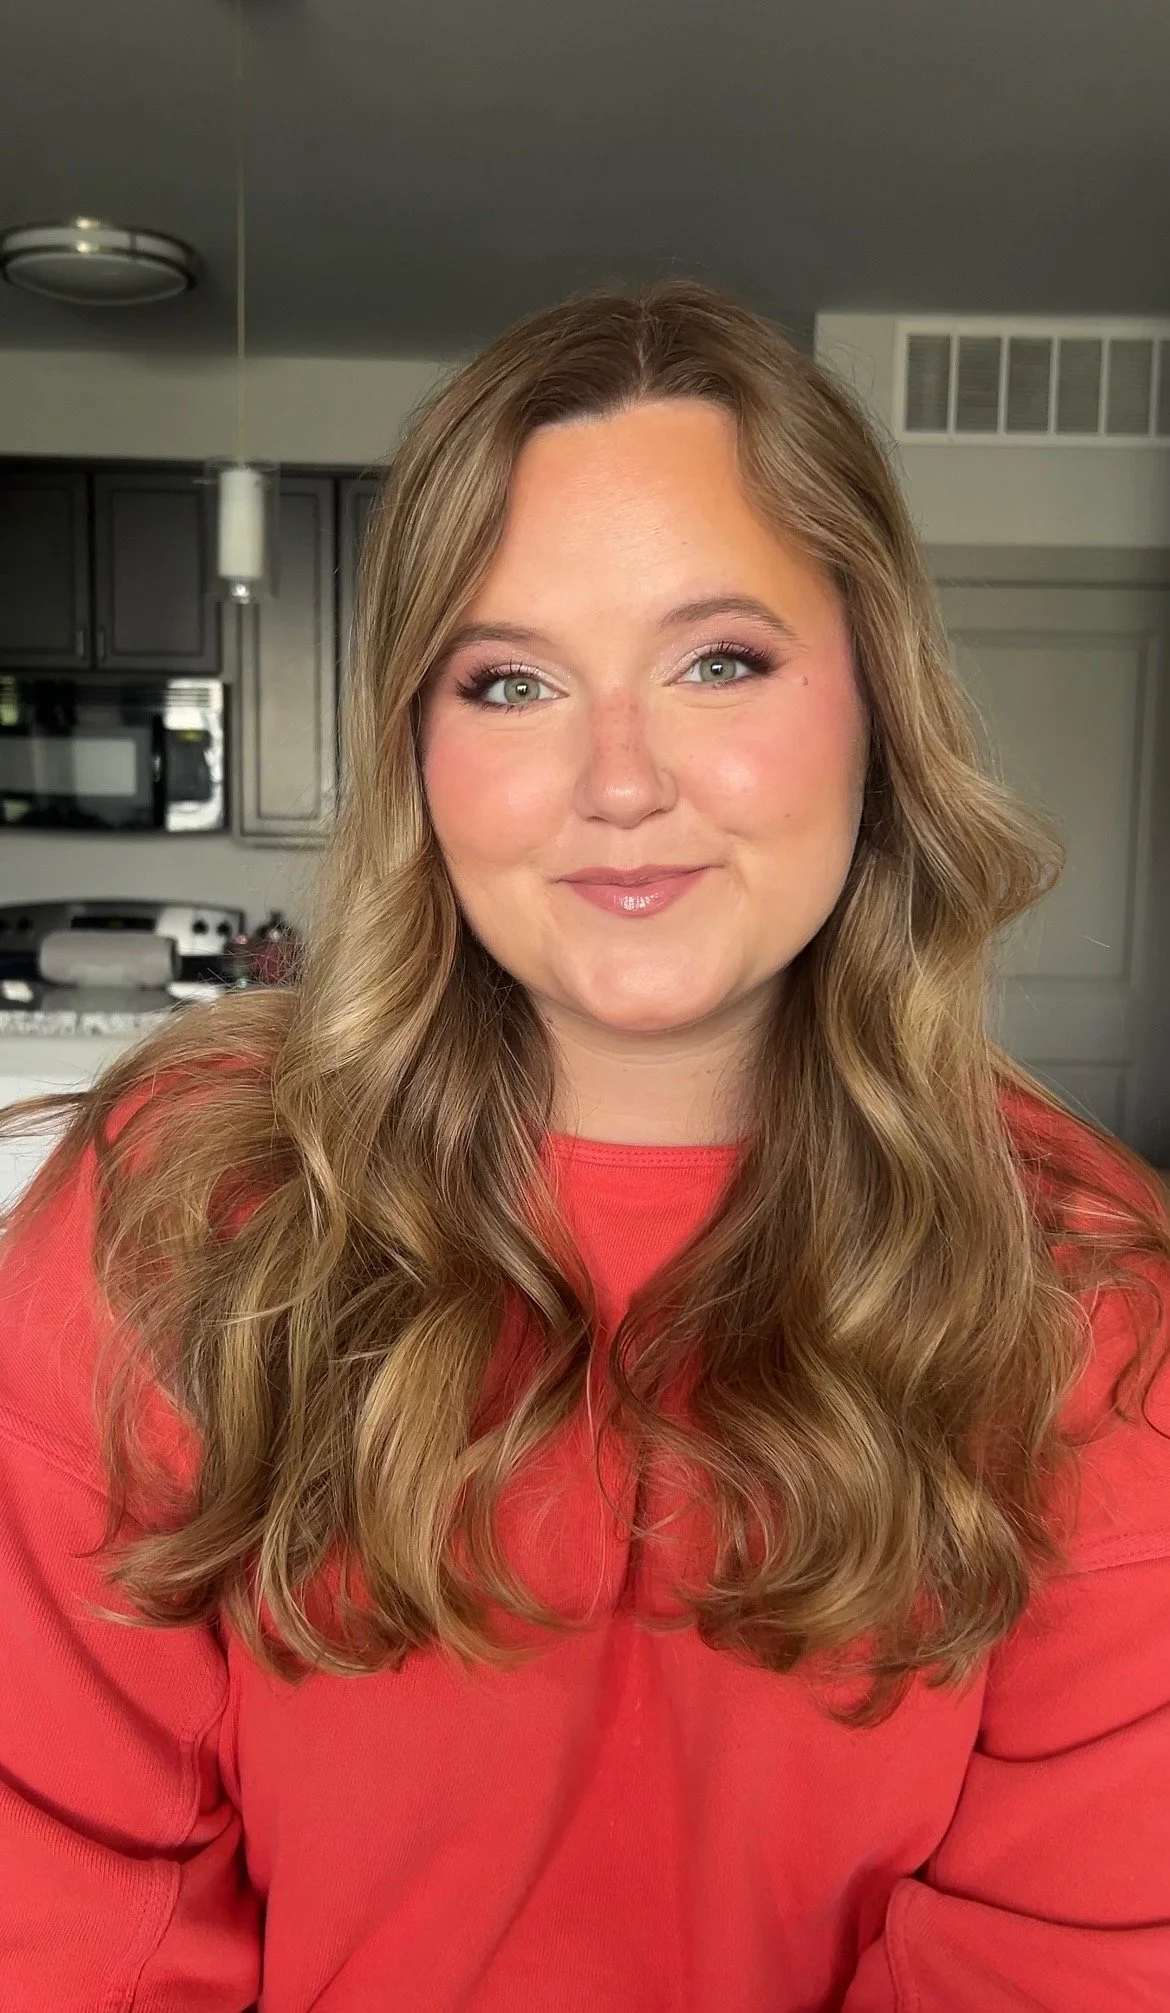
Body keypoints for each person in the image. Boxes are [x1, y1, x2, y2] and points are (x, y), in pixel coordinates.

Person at [1, 281, 1167, 2013]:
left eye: (718, 661)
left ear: (875, 704)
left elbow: (1064, 1957)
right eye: (511, 681)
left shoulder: (1089, 1292)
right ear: (418, 748)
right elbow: (62, 1894)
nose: (618, 780)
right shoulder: (182, 1206)